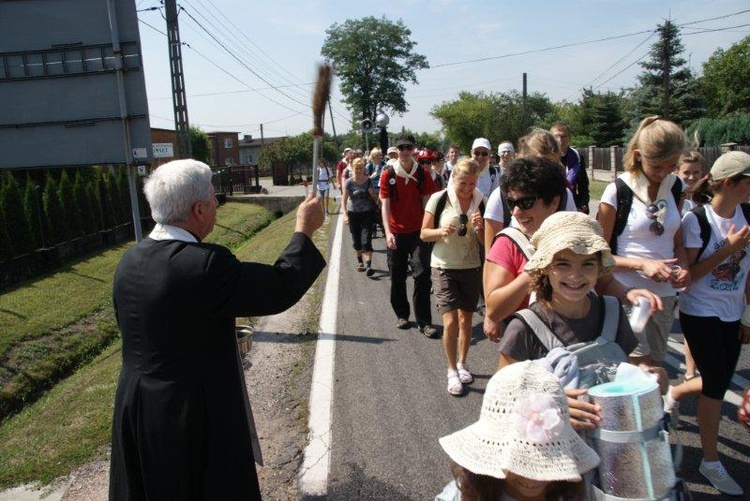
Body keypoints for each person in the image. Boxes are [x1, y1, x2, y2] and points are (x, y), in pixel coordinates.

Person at [109, 159, 326, 499]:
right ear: (198, 209)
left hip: (136, 406)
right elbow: (278, 286)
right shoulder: (205, 265)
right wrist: (304, 230)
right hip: (189, 414)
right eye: (213, 197)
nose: (216, 203)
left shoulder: (130, 260)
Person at [498, 211, 667, 430]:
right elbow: (501, 399)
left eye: (587, 264)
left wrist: (651, 378)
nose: (576, 275)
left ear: (599, 267)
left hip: (611, 450)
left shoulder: (613, 312)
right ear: (545, 267)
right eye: (563, 264)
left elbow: (625, 372)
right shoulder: (524, 327)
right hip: (554, 456)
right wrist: (547, 406)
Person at [483, 157, 661, 347]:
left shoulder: (579, 234)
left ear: (553, 202)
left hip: (584, 343)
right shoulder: (508, 243)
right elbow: (494, 310)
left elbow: (604, 282)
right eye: (511, 203)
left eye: (526, 202)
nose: (516, 212)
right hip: (532, 346)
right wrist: (535, 268)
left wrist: (630, 294)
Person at [663, 151, 750, 496]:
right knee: (715, 384)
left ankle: (675, 391)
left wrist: (746, 316)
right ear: (730, 183)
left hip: (731, 314)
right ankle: (710, 461)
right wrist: (727, 249)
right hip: (699, 312)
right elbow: (688, 278)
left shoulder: (748, 215)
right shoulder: (697, 221)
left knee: (720, 378)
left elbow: (747, 274)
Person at [596, 116, 690, 367]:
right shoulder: (618, 191)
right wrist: (642, 265)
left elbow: (677, 241)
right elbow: (599, 254)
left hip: (665, 298)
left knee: (657, 368)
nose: (663, 174)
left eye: (671, 166)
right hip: (627, 295)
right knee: (640, 371)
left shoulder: (675, 186)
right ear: (638, 155)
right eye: (657, 166)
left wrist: (683, 268)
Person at [436, 361, 600, 501]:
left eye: (548, 459)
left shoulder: (570, 493)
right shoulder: (464, 494)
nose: (532, 477)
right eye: (520, 462)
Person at [420, 158, 485, 394]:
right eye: (463, 184)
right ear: (452, 179)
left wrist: (480, 230)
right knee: (449, 321)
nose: (468, 188)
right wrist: (441, 231)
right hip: (443, 266)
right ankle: (451, 370)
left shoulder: (480, 201)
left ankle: (463, 363)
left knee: (466, 320)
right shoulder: (439, 199)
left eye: (472, 183)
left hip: (470, 266)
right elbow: (424, 234)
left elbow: (486, 242)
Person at [380, 134, 439, 336]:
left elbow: (427, 204)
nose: (405, 151)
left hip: (417, 232)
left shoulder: (422, 173)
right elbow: (385, 206)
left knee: (422, 275)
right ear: (396, 151)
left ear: (414, 149)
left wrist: (427, 231)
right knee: (397, 276)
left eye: (408, 148)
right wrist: (388, 233)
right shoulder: (388, 173)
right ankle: (402, 315)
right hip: (396, 232)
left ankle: (425, 321)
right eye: (401, 148)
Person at [483, 129, 577, 255]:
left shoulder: (564, 195)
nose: (544, 171)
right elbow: (491, 261)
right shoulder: (501, 196)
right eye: (537, 163)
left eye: (550, 164)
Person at [674, 149, 708, 381]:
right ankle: (690, 369)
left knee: (693, 317)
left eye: (696, 173)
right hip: (676, 263)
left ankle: (691, 369)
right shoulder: (673, 196)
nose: (691, 177)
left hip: (698, 264)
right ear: (677, 172)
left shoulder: (706, 200)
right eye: (687, 172)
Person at [343, 157, 378, 276]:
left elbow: (375, 197)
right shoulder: (348, 182)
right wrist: (345, 215)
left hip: (367, 213)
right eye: (356, 168)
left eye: (361, 168)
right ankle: (360, 262)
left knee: (366, 239)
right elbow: (344, 200)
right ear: (352, 168)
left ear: (364, 169)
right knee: (356, 240)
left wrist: (377, 200)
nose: (358, 170)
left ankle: (368, 266)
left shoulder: (368, 181)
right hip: (353, 213)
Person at [551, 123, 590, 214]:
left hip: (573, 205)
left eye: (563, 136)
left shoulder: (577, 157)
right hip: (551, 206)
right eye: (556, 136)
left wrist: (583, 203)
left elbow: (583, 185)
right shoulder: (546, 157)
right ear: (551, 138)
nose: (560, 140)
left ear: (569, 138)